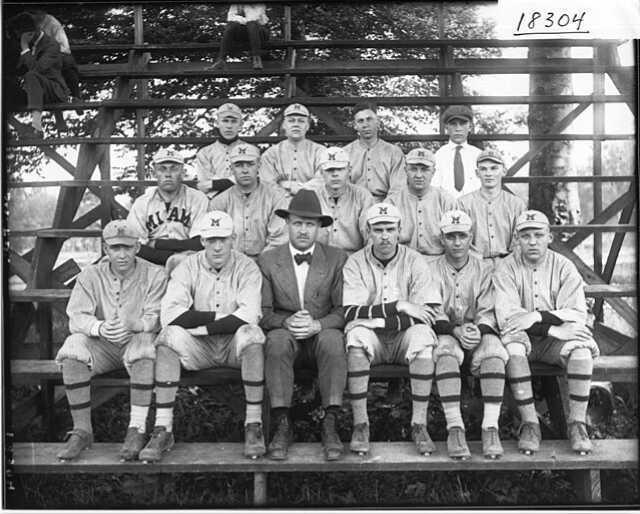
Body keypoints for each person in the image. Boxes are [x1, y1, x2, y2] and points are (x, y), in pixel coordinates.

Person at [139, 211, 267, 462]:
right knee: (167, 337)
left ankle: (253, 424)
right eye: (211, 240)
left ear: (234, 238)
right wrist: (221, 318)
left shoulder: (247, 266)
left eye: (223, 239)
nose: (217, 246)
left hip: (233, 344)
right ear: (202, 241)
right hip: (198, 346)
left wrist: (206, 325)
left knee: (252, 334)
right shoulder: (188, 265)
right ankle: (163, 428)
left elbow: (250, 314)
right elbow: (170, 315)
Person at [54, 219, 168, 462]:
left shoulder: (155, 273)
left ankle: (136, 431)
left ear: (137, 247)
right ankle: (82, 430)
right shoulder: (91, 274)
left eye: (127, 247)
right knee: (73, 346)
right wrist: (99, 327)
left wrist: (133, 324)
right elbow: (77, 316)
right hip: (103, 343)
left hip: (134, 339)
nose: (122, 254)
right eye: (115, 248)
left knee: (145, 345)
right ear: (106, 249)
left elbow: (156, 317)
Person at [494, 210, 600, 455]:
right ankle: (530, 424)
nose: (532, 241)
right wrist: (551, 326)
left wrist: (536, 316)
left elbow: (575, 313)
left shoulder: (564, 266)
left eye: (538, 235)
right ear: (516, 238)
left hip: (554, 343)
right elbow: (509, 319)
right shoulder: (506, 268)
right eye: (525, 235)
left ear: (549, 237)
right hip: (526, 339)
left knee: (582, 346)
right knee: (512, 346)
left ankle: (577, 424)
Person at [257, 189, 348, 461]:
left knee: (333, 340)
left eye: (310, 224)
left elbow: (345, 309)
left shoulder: (337, 258)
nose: (303, 230)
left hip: (321, 332)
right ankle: (282, 423)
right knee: (275, 341)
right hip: (287, 334)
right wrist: (286, 321)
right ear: (287, 224)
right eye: (297, 223)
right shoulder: (268, 260)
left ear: (320, 226)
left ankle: (330, 422)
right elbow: (261, 312)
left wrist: (318, 325)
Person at [342, 203, 440, 456]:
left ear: (399, 230)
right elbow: (352, 313)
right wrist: (401, 305)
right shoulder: (355, 261)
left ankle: (419, 424)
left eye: (389, 229)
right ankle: (360, 424)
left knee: (423, 338)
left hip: (403, 338)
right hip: (372, 339)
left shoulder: (414, 260)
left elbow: (427, 314)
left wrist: (380, 320)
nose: (384, 235)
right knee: (355, 336)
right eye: (378, 229)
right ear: (368, 231)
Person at [431, 210, 509, 459]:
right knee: (445, 352)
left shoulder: (485, 269)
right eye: (450, 236)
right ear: (441, 238)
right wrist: (454, 330)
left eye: (462, 236)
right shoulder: (430, 268)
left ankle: (490, 428)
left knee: (494, 351)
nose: (456, 242)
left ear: (471, 237)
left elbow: (489, 309)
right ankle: (455, 427)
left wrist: (478, 330)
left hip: (477, 329)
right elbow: (430, 310)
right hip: (446, 330)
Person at [127, 147, 210, 273]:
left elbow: (200, 243)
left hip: (190, 264)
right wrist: (171, 256)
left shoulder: (198, 199)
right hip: (151, 263)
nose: (168, 174)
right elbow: (135, 246)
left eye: (174, 169)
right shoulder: (142, 203)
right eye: (162, 169)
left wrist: (156, 244)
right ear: (154, 173)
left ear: (183, 173)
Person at [209, 142, 288, 259]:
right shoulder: (219, 202)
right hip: (230, 262)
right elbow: (216, 241)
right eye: (239, 165)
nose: (245, 170)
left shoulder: (275, 198)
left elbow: (278, 239)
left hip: (267, 261)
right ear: (231, 169)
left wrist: (259, 264)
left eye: (250, 164)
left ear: (259, 166)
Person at [386, 147, 457, 262]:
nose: (418, 175)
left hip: (439, 262)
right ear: (405, 170)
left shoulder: (446, 201)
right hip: (402, 262)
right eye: (413, 169)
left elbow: (457, 242)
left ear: (433, 172)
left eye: (424, 169)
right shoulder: (392, 203)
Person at [5, 12, 68, 139]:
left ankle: (37, 128)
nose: (17, 37)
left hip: (53, 91)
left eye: (18, 33)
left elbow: (37, 68)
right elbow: (16, 69)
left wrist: (24, 46)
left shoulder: (51, 45)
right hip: (32, 92)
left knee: (32, 75)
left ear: (29, 33)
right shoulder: (28, 45)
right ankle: (11, 129)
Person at [458, 149, 527, 265]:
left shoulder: (516, 204)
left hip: (509, 264)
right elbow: (460, 240)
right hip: (474, 264)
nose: (488, 173)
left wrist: (508, 262)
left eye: (494, 168)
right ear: (477, 173)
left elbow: (521, 240)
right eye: (483, 169)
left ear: (504, 171)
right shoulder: (463, 204)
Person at [311, 146, 375, 255]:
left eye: (340, 169)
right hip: (318, 260)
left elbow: (371, 237)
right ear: (321, 172)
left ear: (349, 171)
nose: (335, 174)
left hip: (353, 260)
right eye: (329, 169)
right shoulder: (312, 195)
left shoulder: (362, 196)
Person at [24, 4, 84, 113]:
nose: (31, 16)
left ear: (43, 11)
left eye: (34, 13)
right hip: (35, 58)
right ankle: (56, 114)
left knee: (66, 63)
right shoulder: (24, 23)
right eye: (28, 13)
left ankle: (76, 97)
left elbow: (64, 48)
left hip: (56, 55)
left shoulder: (52, 24)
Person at [343, 102, 406, 202]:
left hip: (386, 205)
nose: (365, 125)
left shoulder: (394, 153)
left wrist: (383, 209)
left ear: (377, 121)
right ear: (355, 125)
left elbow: (398, 189)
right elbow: (343, 188)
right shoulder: (345, 153)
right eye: (360, 121)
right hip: (354, 205)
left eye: (369, 119)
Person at [260, 103, 326, 199]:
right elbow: (267, 184)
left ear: (308, 125)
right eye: (291, 121)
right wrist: (285, 196)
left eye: (301, 121)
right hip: (279, 203)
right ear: (284, 125)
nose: (296, 124)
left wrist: (290, 186)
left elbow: (322, 180)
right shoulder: (270, 154)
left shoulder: (320, 152)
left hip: (313, 203)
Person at [194, 103, 247, 200]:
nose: (229, 126)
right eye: (225, 121)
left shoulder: (250, 150)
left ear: (240, 124)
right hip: (213, 200)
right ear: (217, 123)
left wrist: (215, 184)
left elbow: (251, 179)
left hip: (244, 200)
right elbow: (204, 185)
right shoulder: (205, 152)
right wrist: (236, 181)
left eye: (234, 121)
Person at [432, 105, 482, 198]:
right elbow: (433, 188)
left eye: (463, 124)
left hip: (474, 207)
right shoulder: (439, 156)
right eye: (453, 124)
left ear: (470, 127)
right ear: (447, 128)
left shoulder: (478, 155)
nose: (458, 128)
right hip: (446, 208)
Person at [207, 3, 269, 71]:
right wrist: (244, 20)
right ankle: (221, 61)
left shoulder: (260, 4)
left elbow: (252, 18)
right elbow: (230, 17)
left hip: (260, 34)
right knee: (231, 25)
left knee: (251, 24)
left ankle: (257, 59)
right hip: (244, 33)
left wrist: (245, 6)